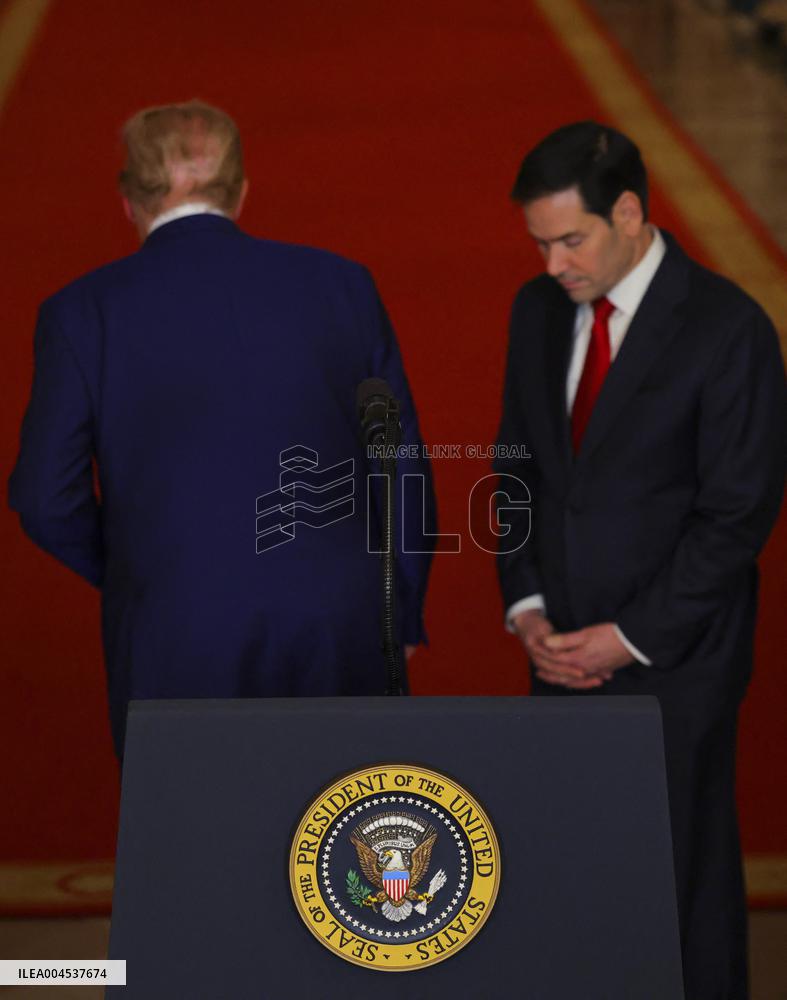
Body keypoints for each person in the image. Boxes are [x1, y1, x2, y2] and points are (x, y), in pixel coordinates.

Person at [9, 100, 435, 759]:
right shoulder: (342, 285)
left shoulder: (79, 312)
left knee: (193, 843)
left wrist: (143, 572)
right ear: (241, 192)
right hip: (338, 621)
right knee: (338, 841)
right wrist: (397, 609)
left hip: (176, 628)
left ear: (129, 202)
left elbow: (43, 499)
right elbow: (398, 459)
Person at [494, 121, 785, 999]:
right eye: (539, 243)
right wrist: (528, 607)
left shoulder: (727, 330)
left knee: (679, 887)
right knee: (571, 881)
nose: (553, 265)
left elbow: (735, 518)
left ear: (628, 213)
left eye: (570, 240)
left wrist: (625, 637)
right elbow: (516, 466)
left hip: (674, 663)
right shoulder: (537, 309)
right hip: (559, 654)